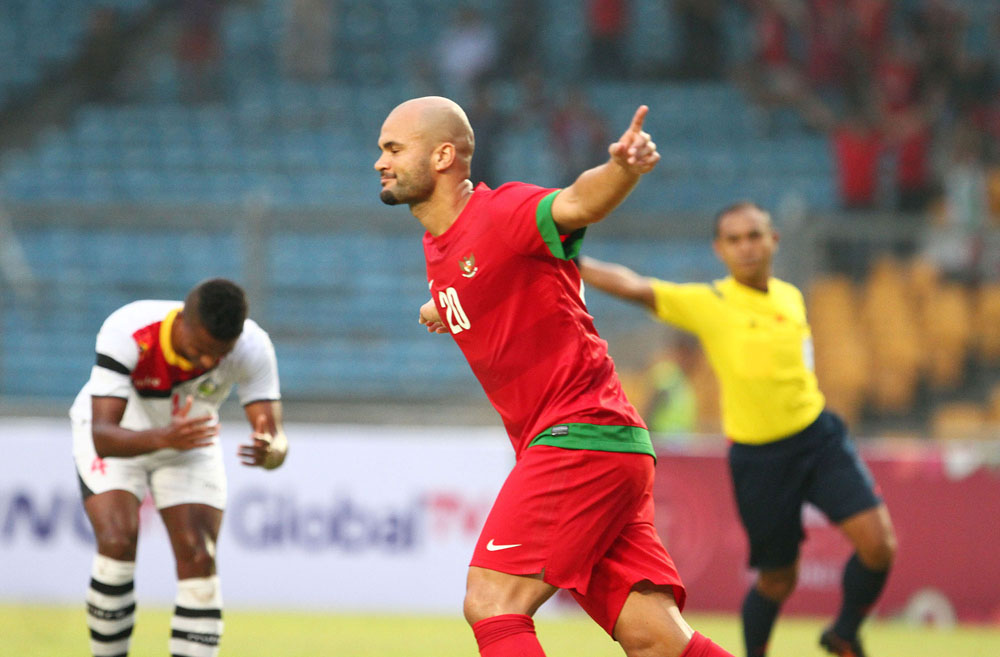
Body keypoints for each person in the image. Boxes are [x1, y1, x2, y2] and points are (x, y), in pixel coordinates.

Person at [374, 95, 735, 657]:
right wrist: (441, 306)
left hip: (578, 434)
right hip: (610, 444)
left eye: (394, 148)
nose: (381, 160)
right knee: (656, 640)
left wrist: (622, 168)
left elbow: (575, 203)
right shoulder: (440, 244)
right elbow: (493, 282)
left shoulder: (501, 212)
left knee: (492, 600)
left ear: (443, 155)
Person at [576, 202, 897, 657]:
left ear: (773, 240)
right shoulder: (711, 303)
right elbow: (638, 287)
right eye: (734, 239)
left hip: (818, 437)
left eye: (754, 235)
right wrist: (576, 263)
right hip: (760, 458)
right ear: (719, 249)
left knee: (879, 545)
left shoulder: (791, 296)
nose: (746, 246)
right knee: (777, 579)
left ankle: (844, 632)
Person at [70, 278, 288, 657]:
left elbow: (277, 440)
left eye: (219, 355)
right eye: (200, 350)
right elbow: (103, 437)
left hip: (188, 441)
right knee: (117, 540)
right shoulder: (129, 330)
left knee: (198, 554)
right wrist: (164, 438)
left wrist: (270, 452)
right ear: (181, 323)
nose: (207, 362)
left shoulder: (252, 346)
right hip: (122, 437)